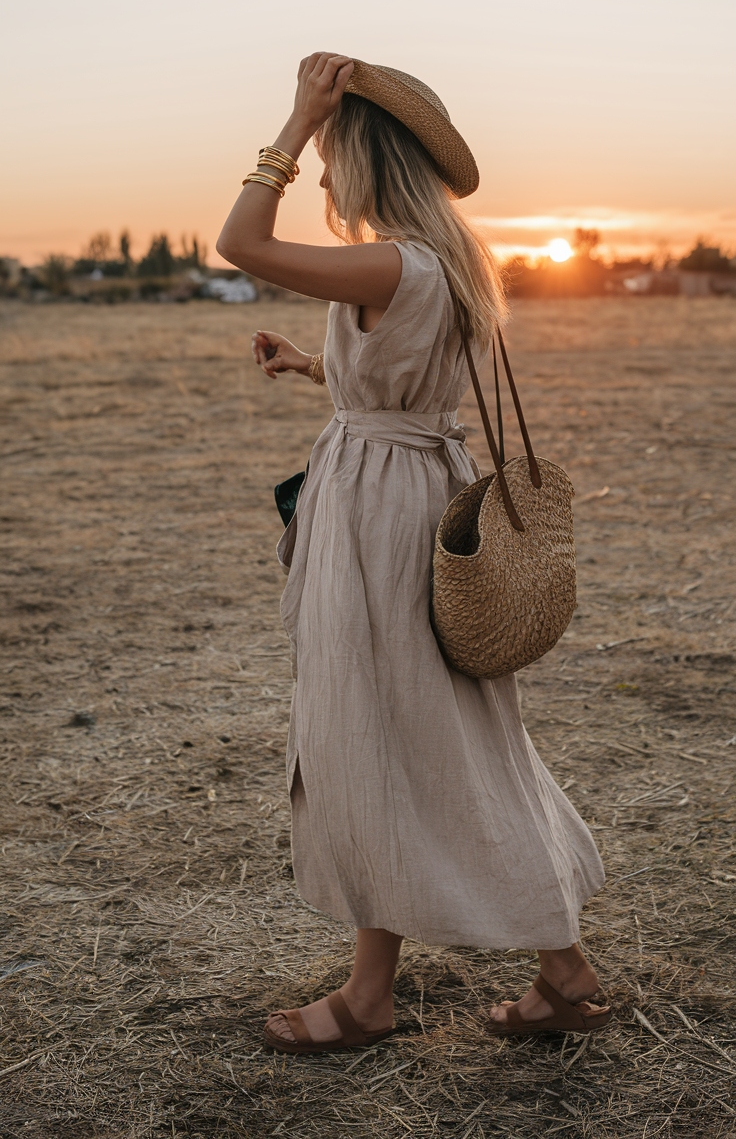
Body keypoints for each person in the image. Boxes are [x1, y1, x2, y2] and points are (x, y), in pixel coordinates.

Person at [217, 52, 610, 1053]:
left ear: (364, 155)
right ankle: (499, 977)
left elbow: (239, 242)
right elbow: (407, 386)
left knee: (387, 732)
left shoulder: (394, 263)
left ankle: (394, 994)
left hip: (378, 518)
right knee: (413, 733)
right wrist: (317, 365)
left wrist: (293, 123)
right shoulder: (445, 262)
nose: (323, 173)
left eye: (332, 153)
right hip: (412, 491)